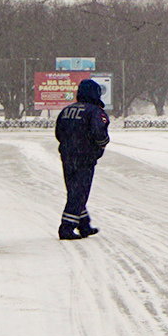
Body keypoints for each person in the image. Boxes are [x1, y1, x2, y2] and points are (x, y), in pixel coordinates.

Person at [55, 78, 109, 240]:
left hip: (67, 155)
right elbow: (100, 134)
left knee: (74, 190)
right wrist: (101, 145)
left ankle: (84, 225)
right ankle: (66, 227)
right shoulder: (95, 111)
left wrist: (69, 144)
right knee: (80, 192)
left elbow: (59, 133)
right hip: (85, 157)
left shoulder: (66, 110)